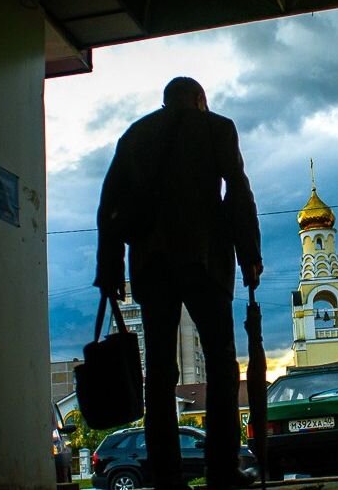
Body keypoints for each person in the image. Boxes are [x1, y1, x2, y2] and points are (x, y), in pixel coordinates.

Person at [94, 77, 263, 490]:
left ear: (165, 101)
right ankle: (222, 471)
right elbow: (237, 192)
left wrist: (110, 270)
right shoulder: (217, 128)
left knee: (160, 372)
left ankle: (167, 478)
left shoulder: (136, 135)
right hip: (205, 260)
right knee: (223, 366)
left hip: (151, 266)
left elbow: (109, 204)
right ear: (200, 100)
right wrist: (250, 256)